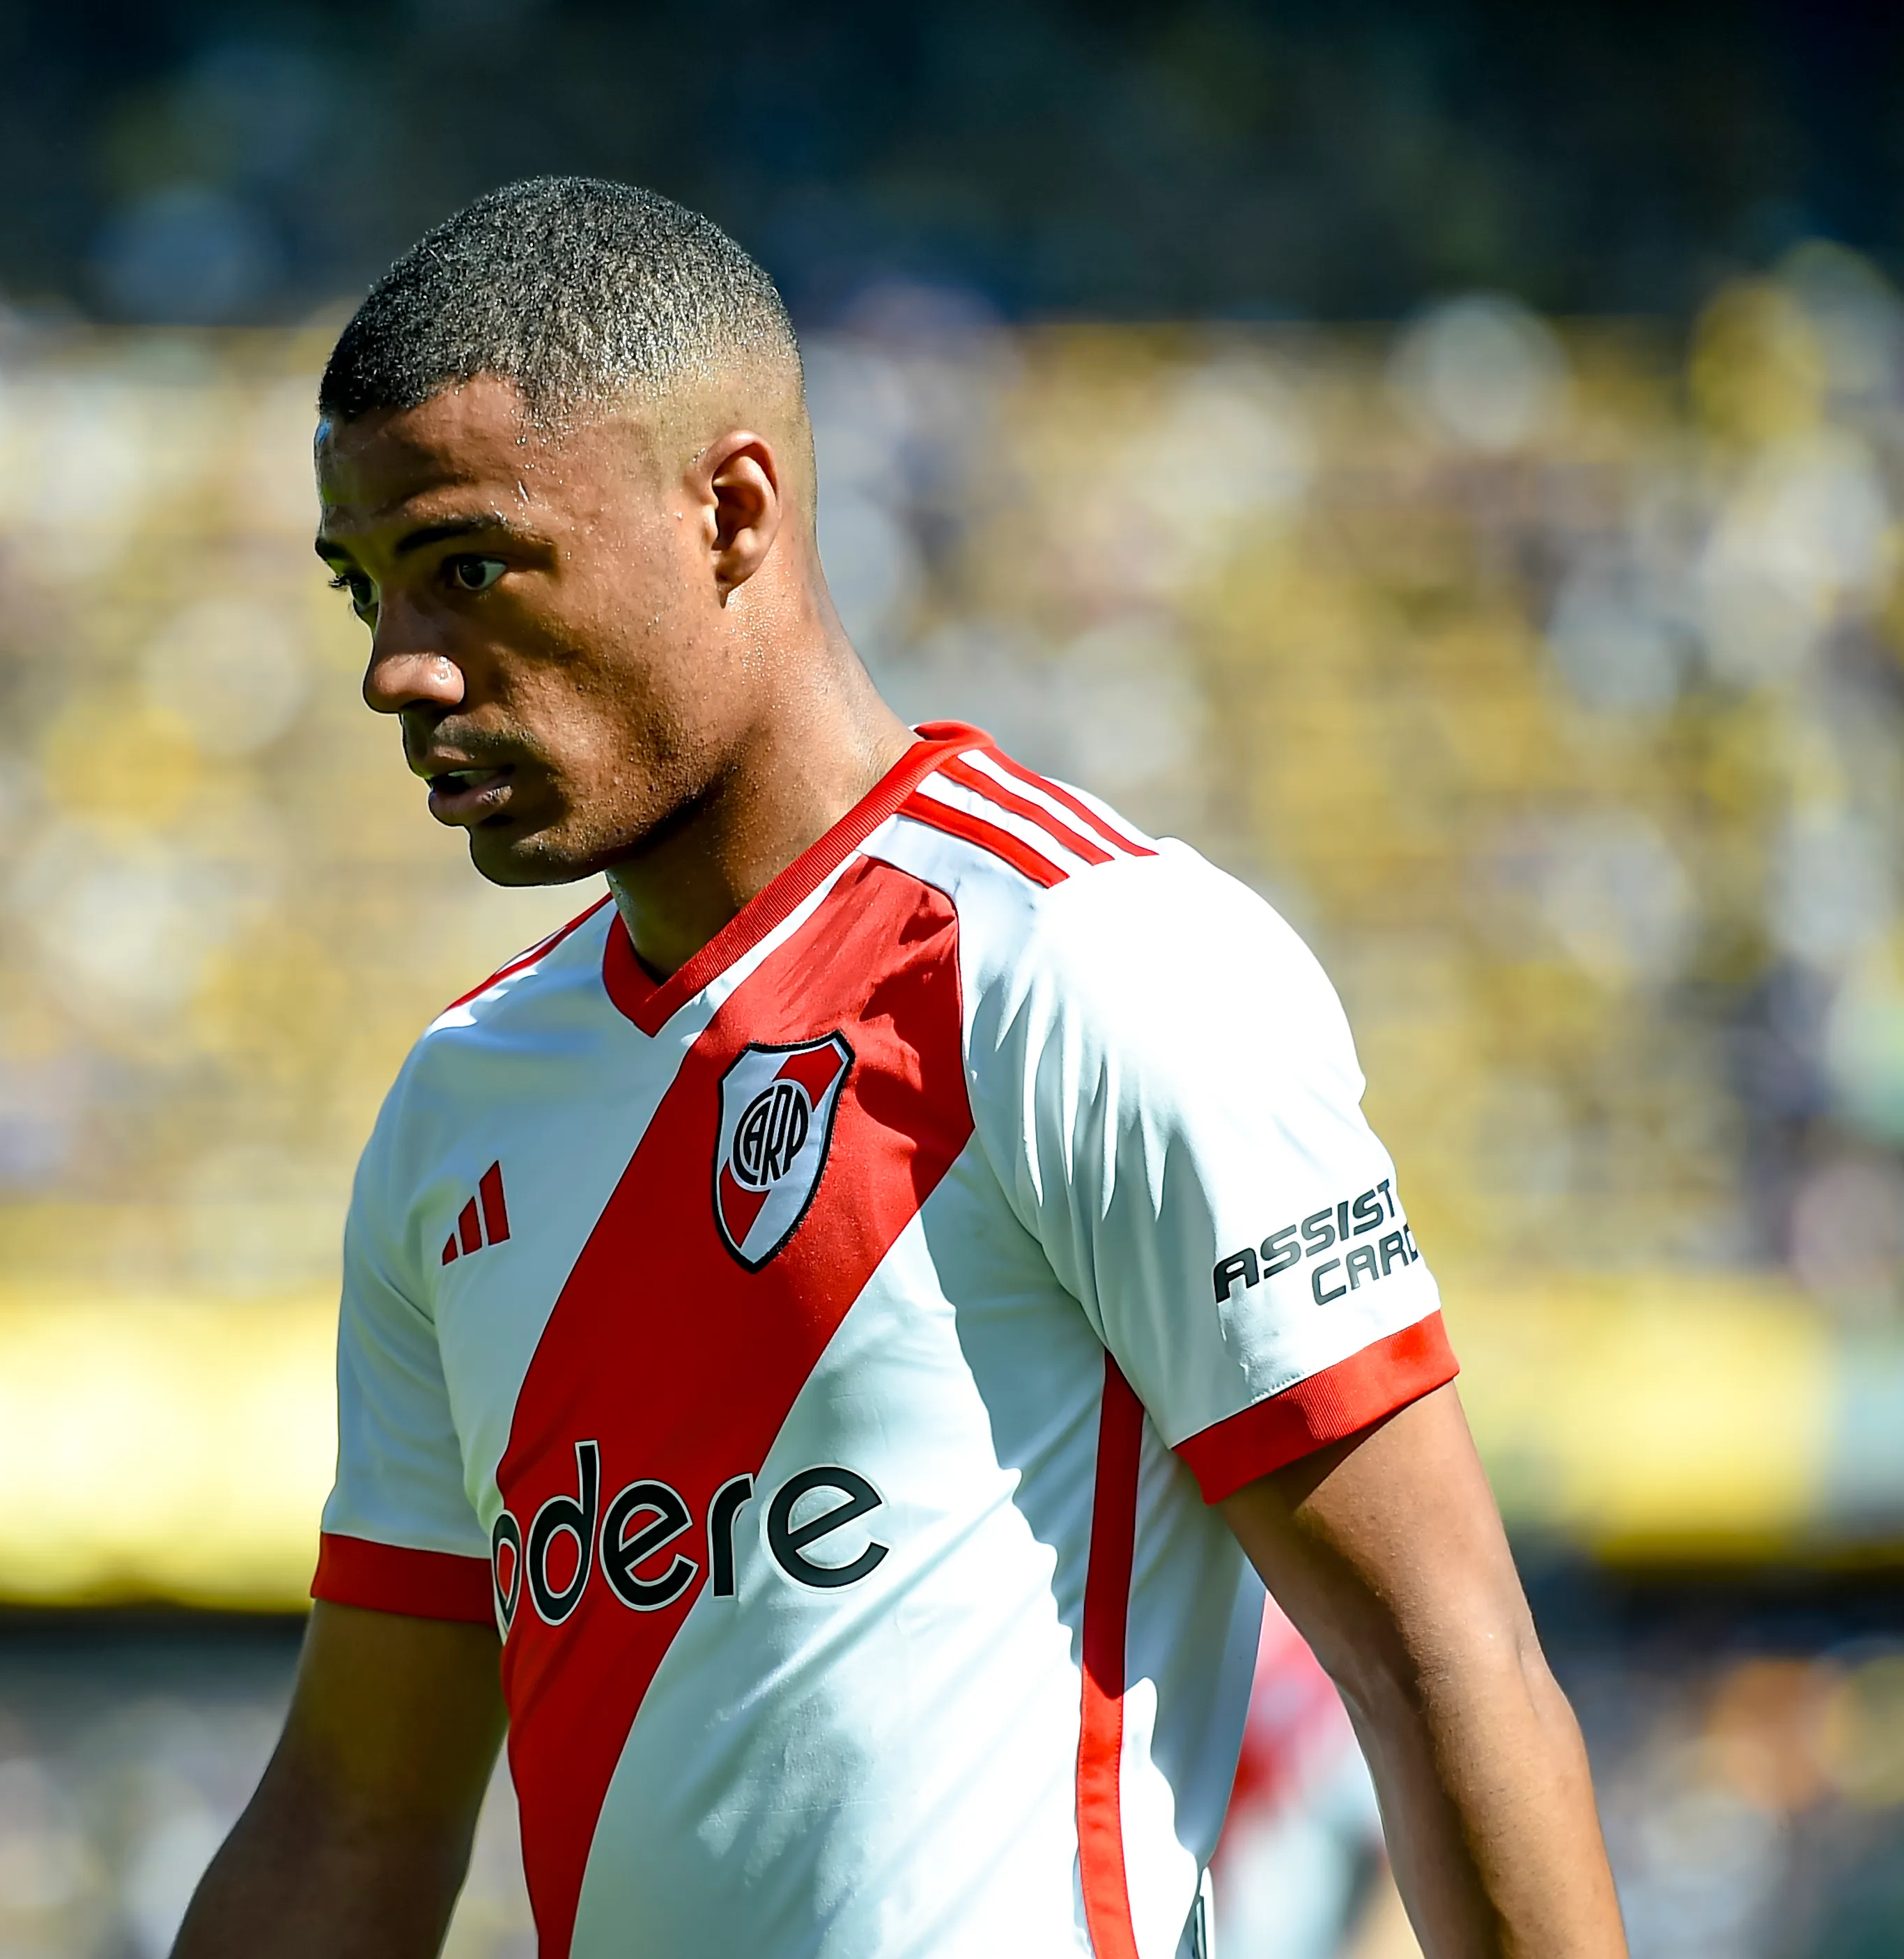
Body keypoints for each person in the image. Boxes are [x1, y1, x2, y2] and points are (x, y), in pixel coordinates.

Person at [176, 177, 1625, 1959]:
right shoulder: (459, 1102)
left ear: (730, 510)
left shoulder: (1086, 966)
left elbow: (1436, 1657)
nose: (398, 669)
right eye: (364, 590)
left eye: (467, 566)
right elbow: (355, 1815)